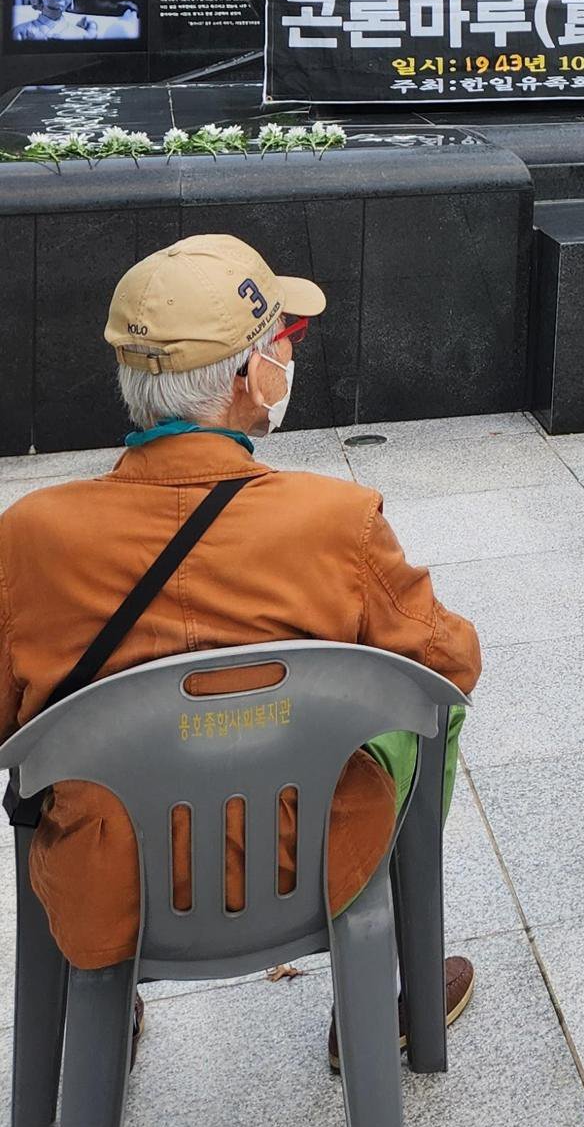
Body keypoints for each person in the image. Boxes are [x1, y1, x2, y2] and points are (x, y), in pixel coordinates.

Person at [0, 232, 482, 1063]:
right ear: (251, 377)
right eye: (281, 345)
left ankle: (100, 1008)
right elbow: (452, 665)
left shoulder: (30, 537)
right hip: (315, 862)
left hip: (107, 880)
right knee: (429, 717)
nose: (286, 360)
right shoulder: (338, 519)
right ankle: (381, 994)